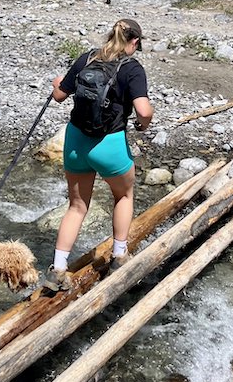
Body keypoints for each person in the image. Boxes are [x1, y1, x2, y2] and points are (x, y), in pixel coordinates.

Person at [43, 18, 153, 291]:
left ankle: (57, 267)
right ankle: (119, 255)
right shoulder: (132, 69)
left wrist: (58, 82)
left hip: (76, 141)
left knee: (77, 206)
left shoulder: (87, 59)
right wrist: (143, 125)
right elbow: (144, 111)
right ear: (134, 42)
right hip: (109, 144)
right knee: (123, 195)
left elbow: (59, 95)